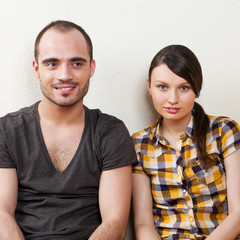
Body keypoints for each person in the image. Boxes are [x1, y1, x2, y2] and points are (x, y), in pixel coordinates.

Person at [0, 20, 137, 240]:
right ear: (37, 68)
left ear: (91, 67)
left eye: (76, 63)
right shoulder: (7, 131)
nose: (64, 75)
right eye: (52, 63)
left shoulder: (110, 132)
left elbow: (115, 223)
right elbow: (1, 214)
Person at [132, 44, 240, 240]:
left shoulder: (223, 131)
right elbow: (143, 224)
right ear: (149, 86)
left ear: (196, 89)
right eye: (162, 87)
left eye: (184, 87)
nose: (172, 99)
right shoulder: (140, 145)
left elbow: (238, 214)